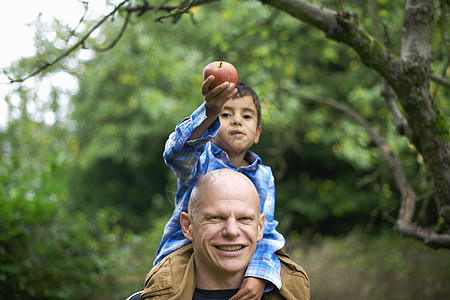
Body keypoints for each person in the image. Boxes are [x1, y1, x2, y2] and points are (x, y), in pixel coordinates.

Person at [154, 75, 286, 298]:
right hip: (186, 252)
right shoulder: (200, 159)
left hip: (243, 251)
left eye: (246, 116)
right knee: (165, 290)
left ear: (258, 133)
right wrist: (209, 110)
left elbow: (266, 230)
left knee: (294, 279)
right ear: (213, 124)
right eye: (226, 114)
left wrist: (259, 274)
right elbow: (176, 153)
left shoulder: (263, 175)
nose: (237, 120)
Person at [140, 169, 310, 299]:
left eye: (244, 218)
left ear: (260, 228)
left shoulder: (293, 293)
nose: (231, 231)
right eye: (216, 218)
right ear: (187, 226)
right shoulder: (157, 294)